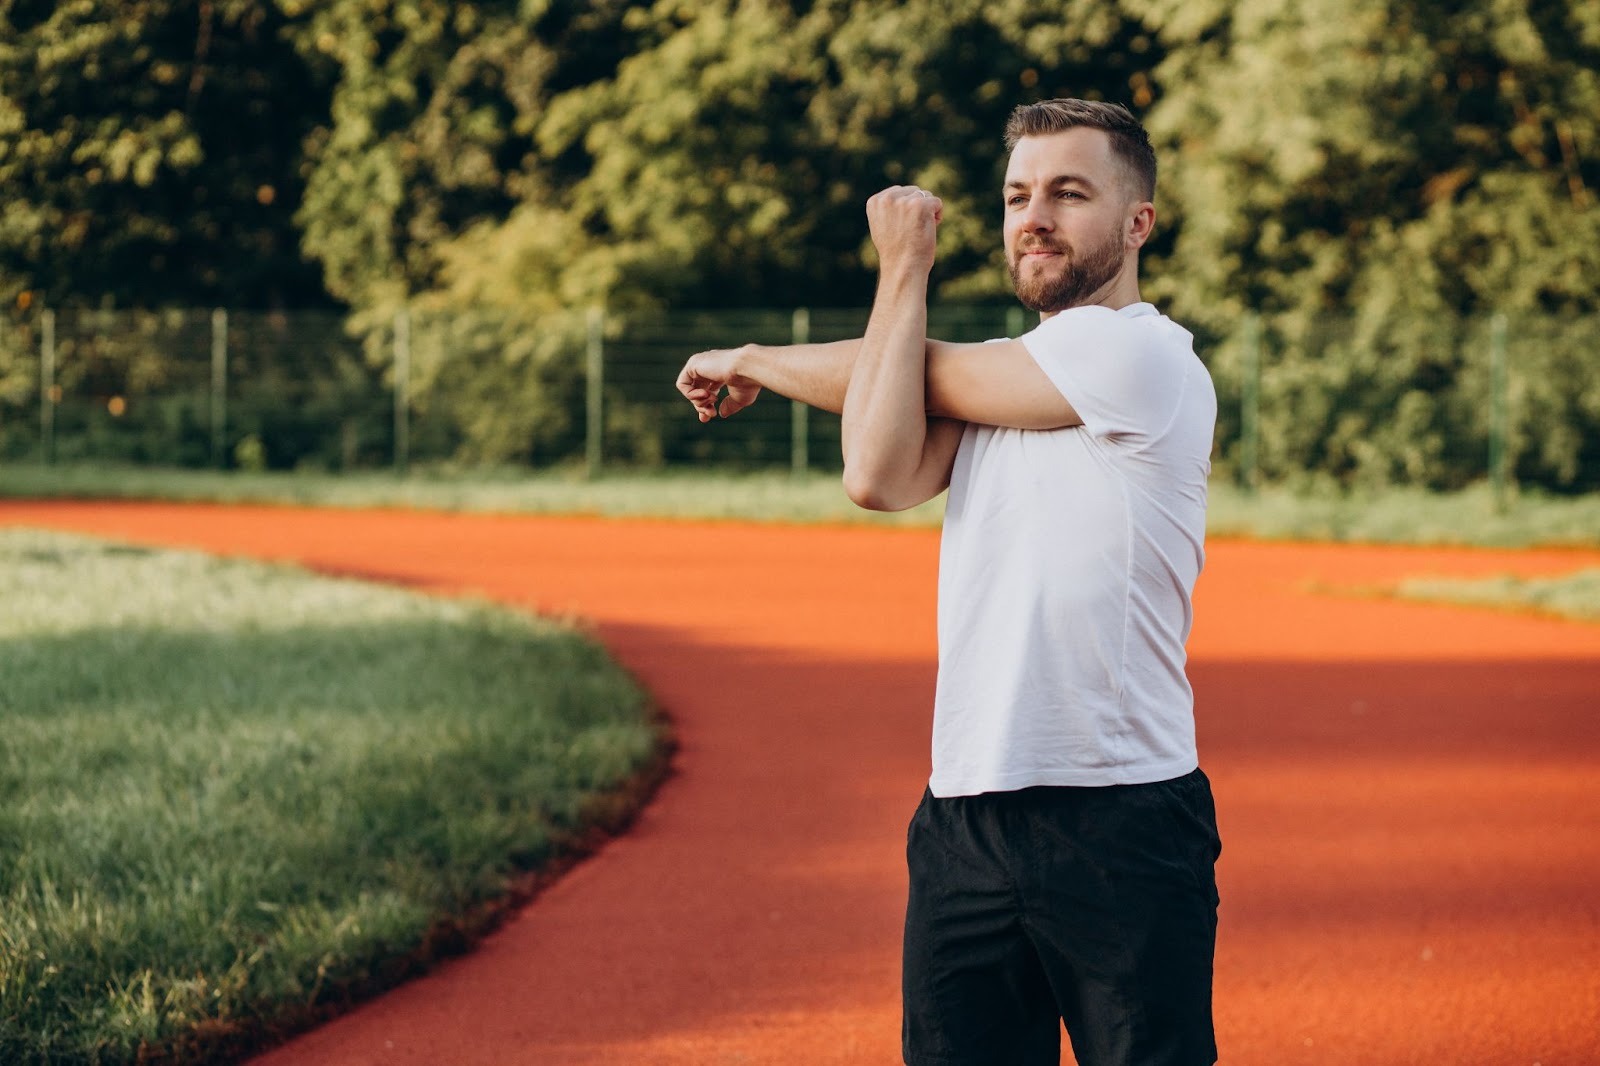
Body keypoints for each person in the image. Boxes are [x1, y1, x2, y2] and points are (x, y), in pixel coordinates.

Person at [676, 98, 1221, 1066]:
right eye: (1016, 195)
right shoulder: (1004, 377)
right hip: (964, 810)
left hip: (1116, 813)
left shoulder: (1138, 351)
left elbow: (911, 369)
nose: (1034, 216)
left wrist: (889, 274)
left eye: (1068, 192)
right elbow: (877, 475)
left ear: (1138, 222)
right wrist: (807, 335)